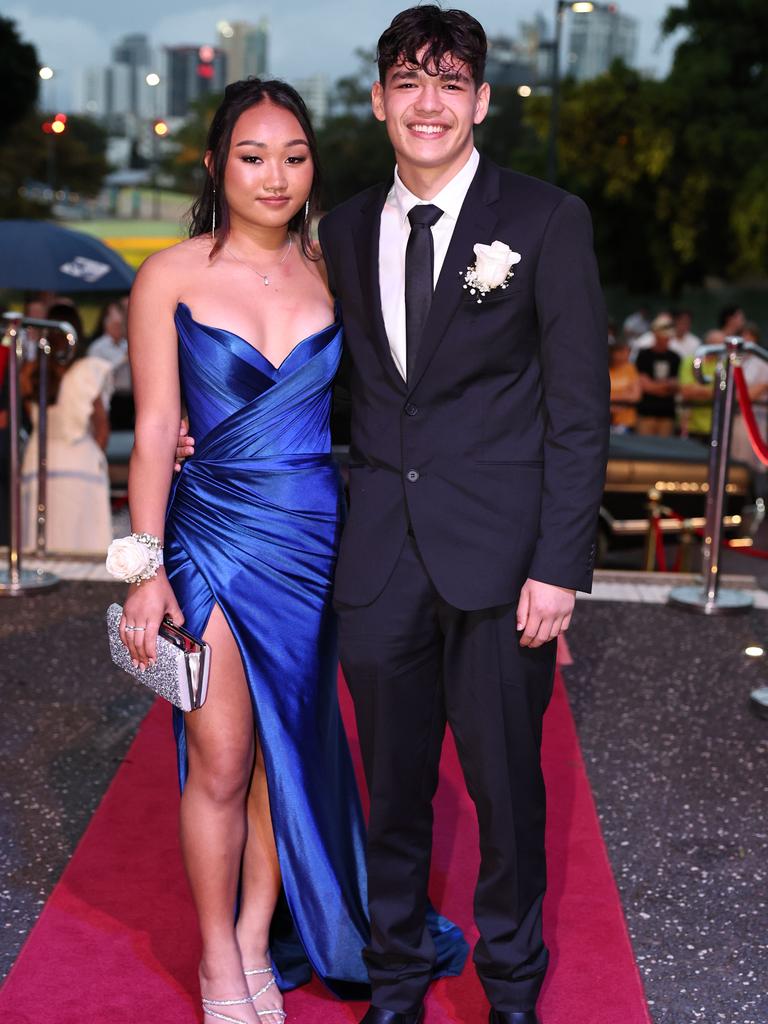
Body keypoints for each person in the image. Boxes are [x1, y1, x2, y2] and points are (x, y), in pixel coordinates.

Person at [118, 78, 467, 1024]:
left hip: (318, 539)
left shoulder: (333, 266)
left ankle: (259, 935)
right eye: (253, 155)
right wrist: (141, 569)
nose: (276, 175)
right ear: (215, 165)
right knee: (223, 756)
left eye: (295, 155)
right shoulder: (171, 275)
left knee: (291, 758)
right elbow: (154, 430)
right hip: (214, 538)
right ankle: (216, 955)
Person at [318, 9, 608, 1024]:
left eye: (450, 83)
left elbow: (578, 410)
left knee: (508, 801)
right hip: (380, 563)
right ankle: (396, 983)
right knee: (392, 797)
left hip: (504, 564)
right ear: (379, 101)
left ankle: (513, 991)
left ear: (482, 100)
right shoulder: (344, 228)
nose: (428, 102)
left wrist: (560, 565)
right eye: (408, 81)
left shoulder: (545, 219)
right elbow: (321, 381)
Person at [19, 303, 113, 554]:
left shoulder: (30, 371)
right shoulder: (89, 370)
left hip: (38, 460)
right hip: (79, 460)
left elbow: (30, 415)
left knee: (40, 545)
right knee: (83, 549)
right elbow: (102, 427)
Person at [88, 299, 134, 430]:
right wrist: (123, 359)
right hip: (108, 398)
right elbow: (97, 373)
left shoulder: (127, 344)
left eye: (121, 325)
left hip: (129, 398)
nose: (119, 329)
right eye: (115, 325)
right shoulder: (98, 348)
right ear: (106, 324)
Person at [635, 314, 680, 436]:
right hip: (646, 412)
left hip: (667, 413)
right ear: (655, 335)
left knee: (664, 451)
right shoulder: (644, 355)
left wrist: (655, 386)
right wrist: (665, 386)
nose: (666, 339)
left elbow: (675, 386)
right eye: (663, 336)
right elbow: (645, 386)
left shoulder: (675, 357)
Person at [609, 340, 641, 432]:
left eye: (627, 352)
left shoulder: (630, 368)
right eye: (622, 352)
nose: (626, 355)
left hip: (626, 422)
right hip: (605, 421)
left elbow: (635, 396)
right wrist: (624, 394)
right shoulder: (604, 368)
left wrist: (610, 397)